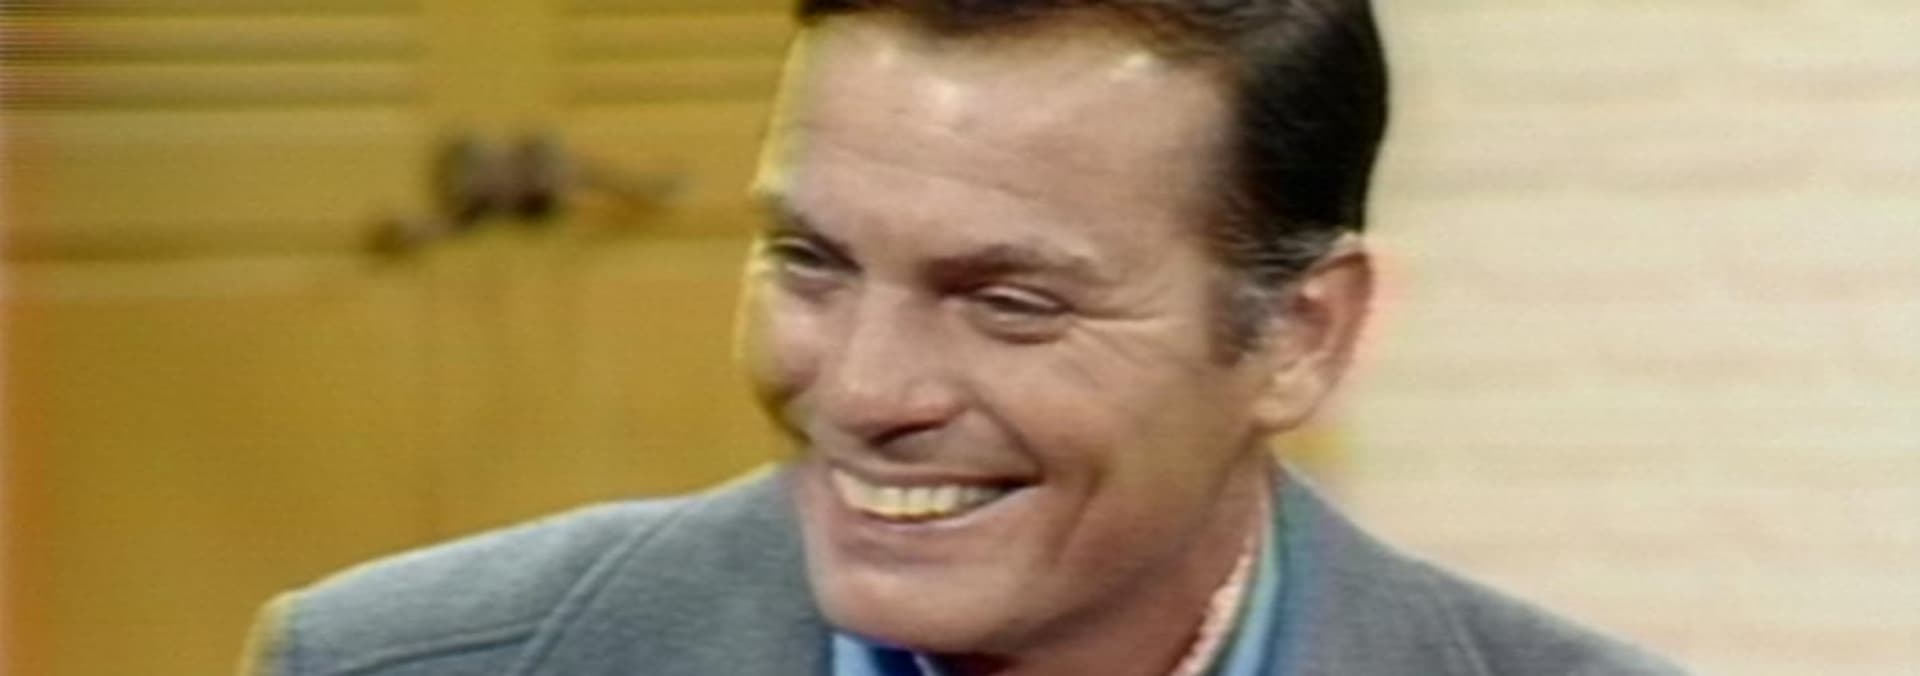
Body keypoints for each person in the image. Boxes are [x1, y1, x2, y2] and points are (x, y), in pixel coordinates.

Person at [240, 1, 1686, 674]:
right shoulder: (394, 667)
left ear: (1297, 338)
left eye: (1011, 301)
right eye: (811, 262)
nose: (864, 389)